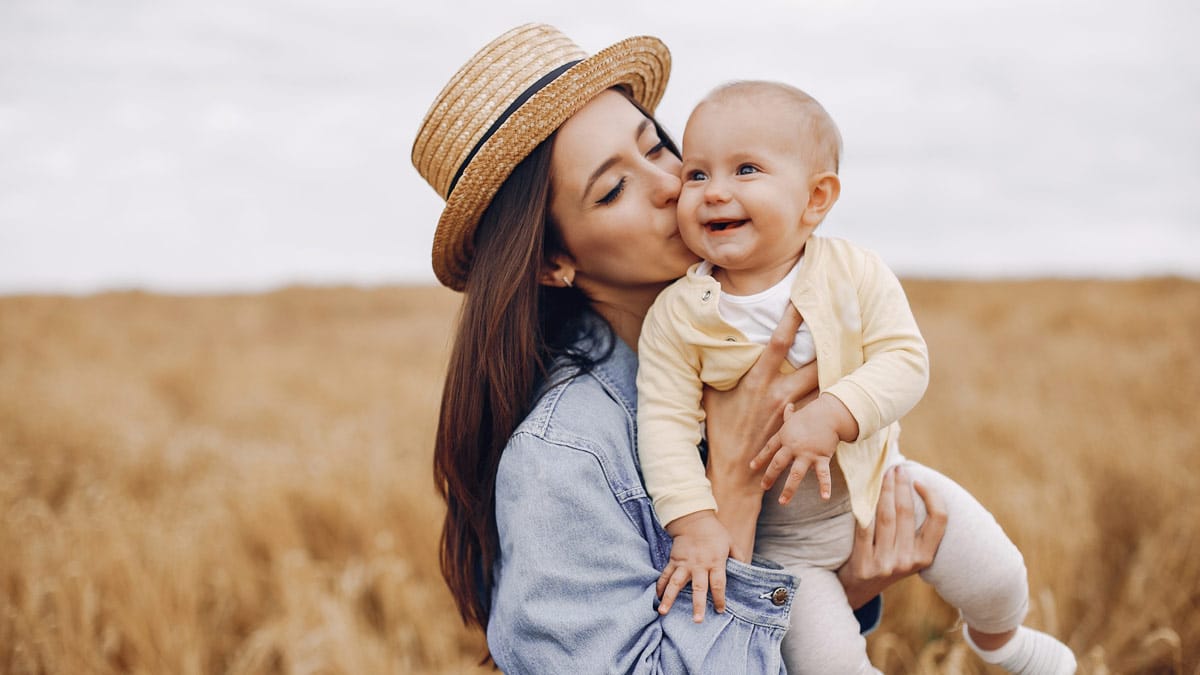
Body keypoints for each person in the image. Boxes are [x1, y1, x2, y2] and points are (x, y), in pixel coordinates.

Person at [412, 24, 947, 673]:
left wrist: (848, 586)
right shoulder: (564, 455)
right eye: (613, 188)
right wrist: (732, 489)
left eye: (658, 147)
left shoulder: (745, 340)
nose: (672, 184)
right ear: (554, 260)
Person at [635, 80, 1076, 674]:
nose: (714, 193)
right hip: (785, 547)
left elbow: (904, 359)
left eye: (745, 170)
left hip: (882, 486)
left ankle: (1001, 643)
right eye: (695, 174)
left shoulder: (852, 272)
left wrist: (831, 413)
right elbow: (663, 425)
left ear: (815, 199)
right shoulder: (678, 315)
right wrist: (693, 525)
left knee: (999, 577)